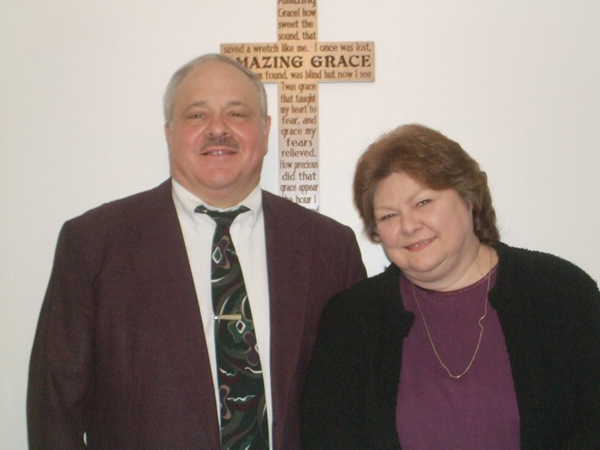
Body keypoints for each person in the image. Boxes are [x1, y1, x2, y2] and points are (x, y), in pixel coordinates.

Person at [27, 54, 366, 450]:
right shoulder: (94, 245)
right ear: (169, 132)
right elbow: (54, 411)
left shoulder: (329, 248)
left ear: (265, 130)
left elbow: (358, 401)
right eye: (197, 115)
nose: (218, 129)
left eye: (237, 114)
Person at [300, 124, 600, 449]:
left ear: (469, 198)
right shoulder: (352, 319)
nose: (409, 225)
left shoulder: (561, 293)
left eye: (423, 202)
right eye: (388, 216)